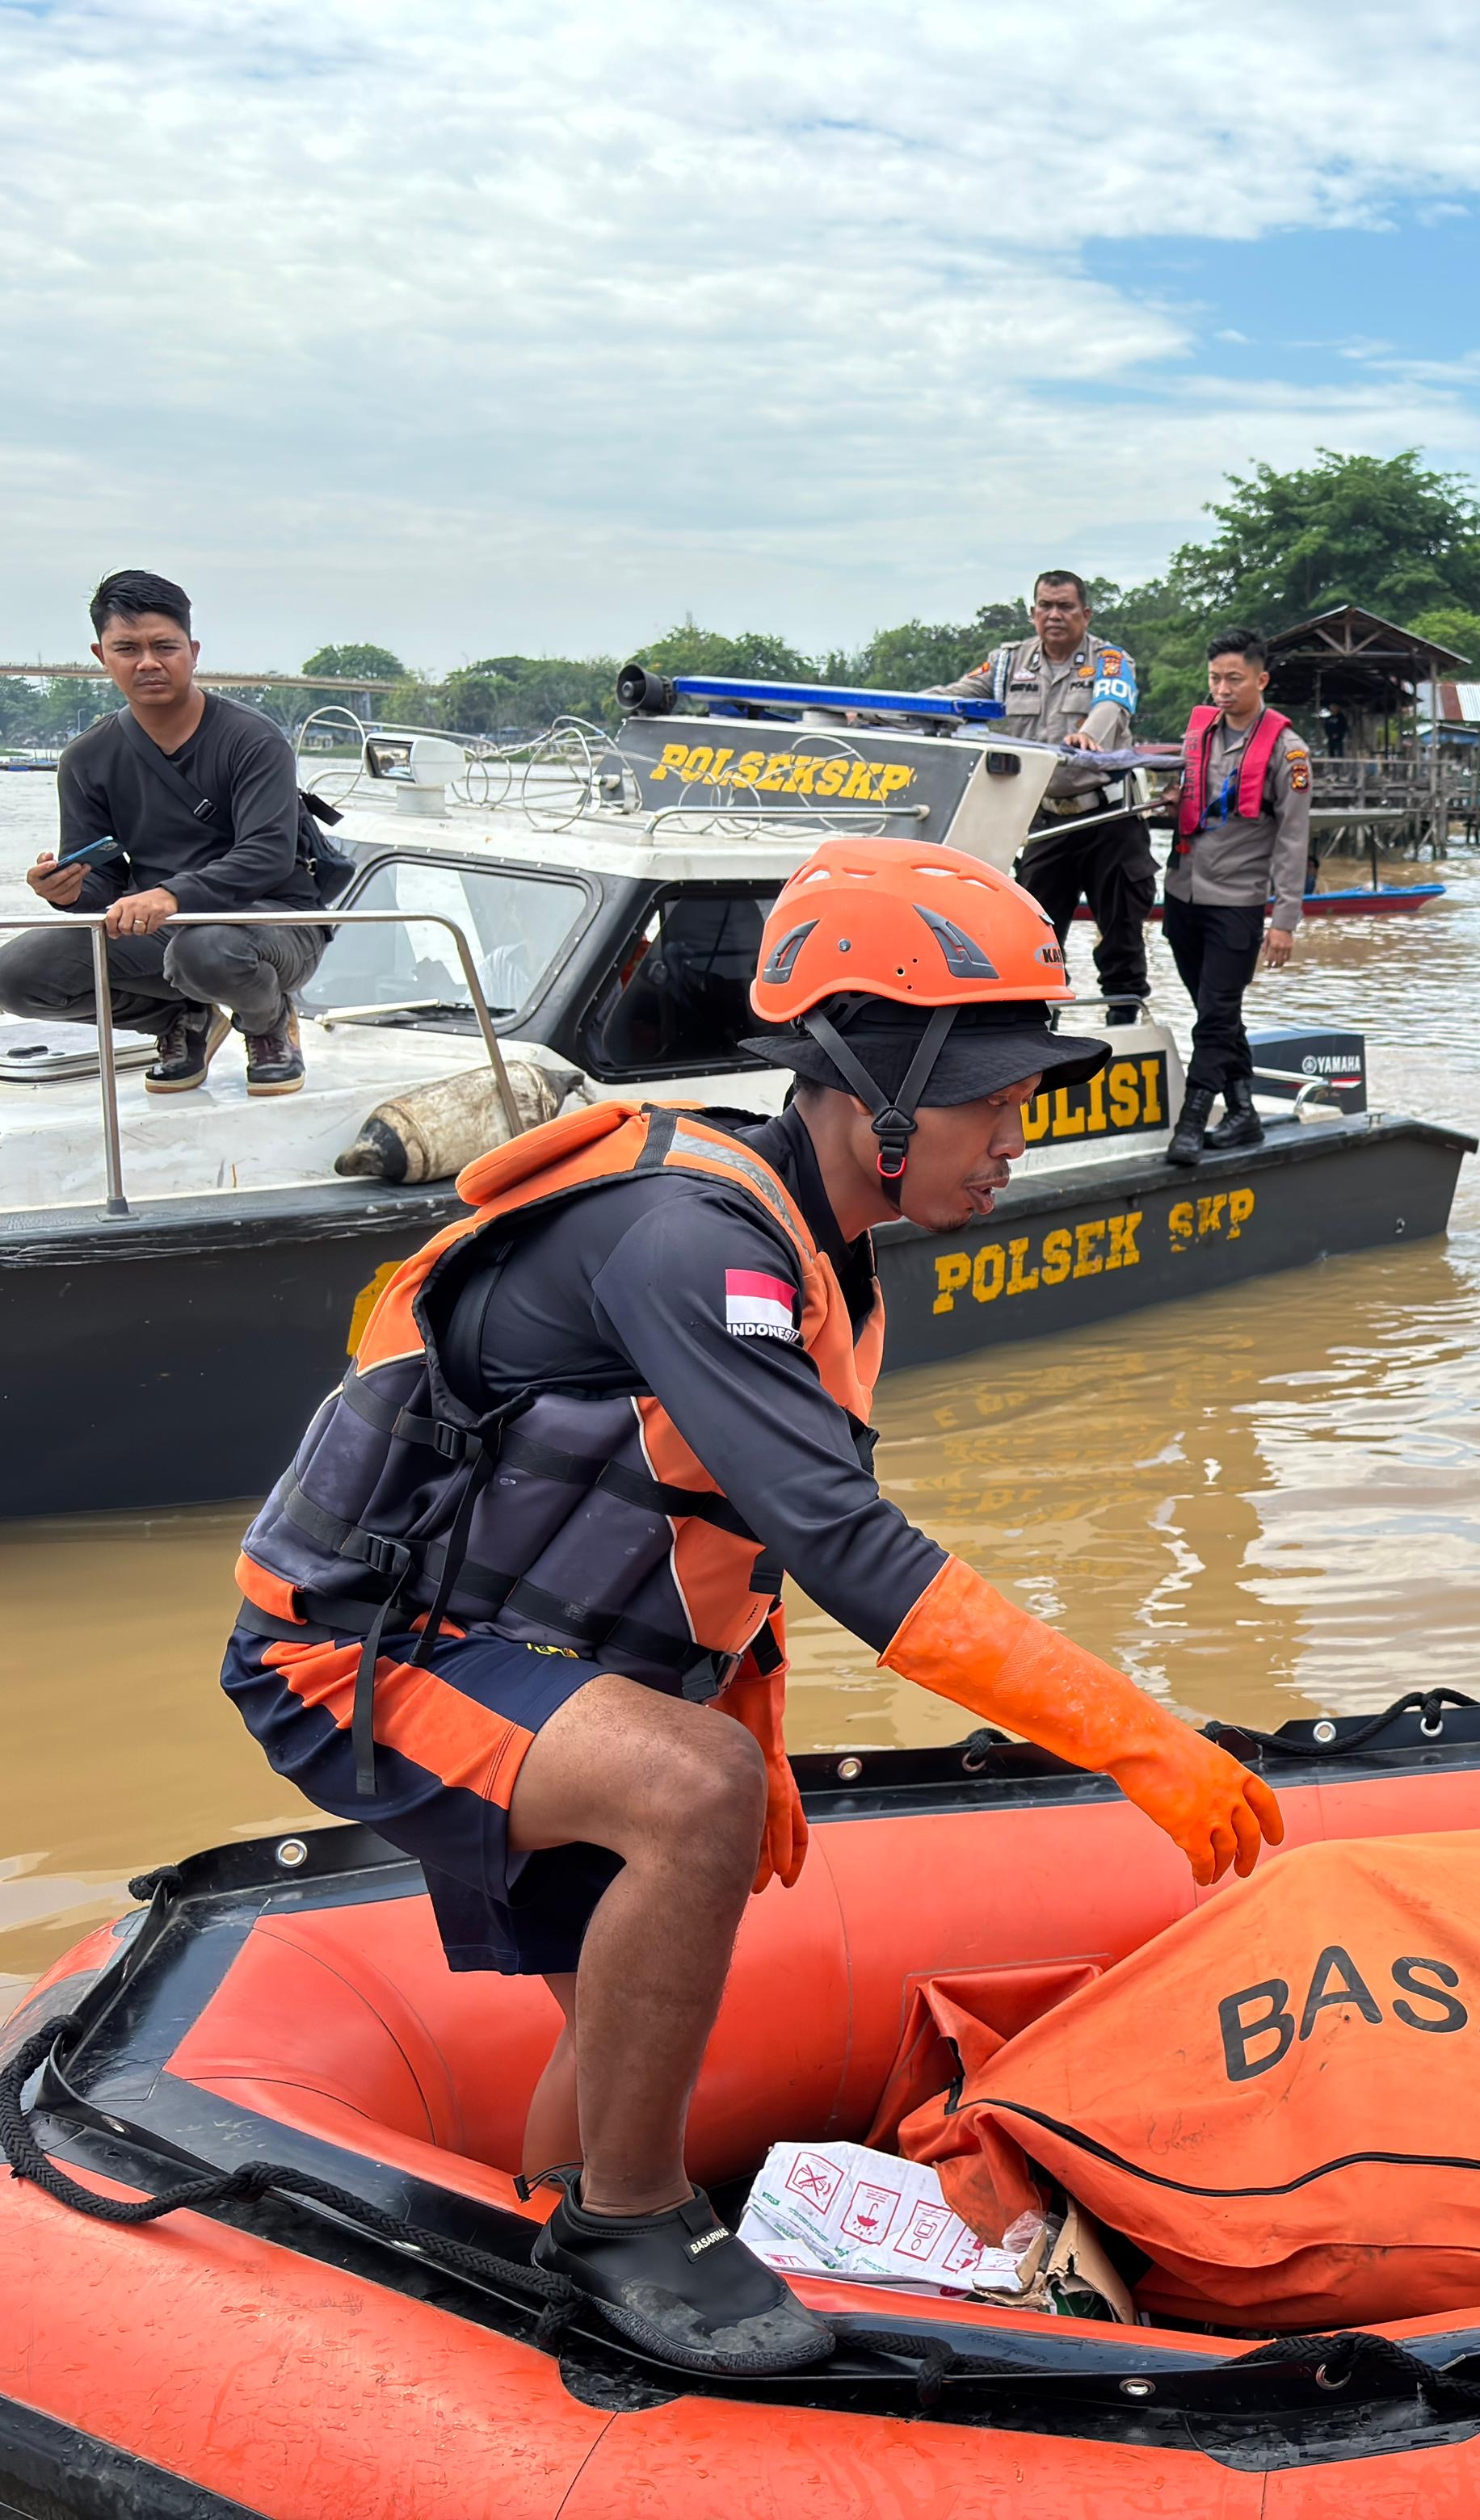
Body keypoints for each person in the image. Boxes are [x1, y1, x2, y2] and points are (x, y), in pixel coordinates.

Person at [216, 838, 1282, 2377]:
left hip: (529, 1656)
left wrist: (748, 1717)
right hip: (359, 1654)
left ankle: (533, 2280)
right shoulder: (690, 1239)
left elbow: (725, 1527)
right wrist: (1138, 1741)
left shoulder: (828, 1252)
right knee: (691, 1797)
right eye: (993, 1098)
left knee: (627, 2008)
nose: (1015, 1137)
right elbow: (848, 1544)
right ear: (877, 1092)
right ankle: (630, 2227)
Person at [1, 570, 324, 1094]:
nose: (147, 662)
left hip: (272, 923)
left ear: (192, 652)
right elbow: (104, 884)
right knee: (16, 975)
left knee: (206, 949)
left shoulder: (252, 740)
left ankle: (267, 1022)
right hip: (162, 928)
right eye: (126, 647)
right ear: (102, 655)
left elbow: (266, 856)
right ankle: (180, 1018)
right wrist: (72, 889)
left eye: (164, 646)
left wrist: (169, 894)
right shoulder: (87, 758)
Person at [931, 572, 1150, 1010]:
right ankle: (1041, 1035)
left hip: (1108, 819)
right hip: (1044, 821)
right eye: (1045, 606)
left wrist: (1088, 735)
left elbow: (1111, 704)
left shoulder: (1109, 660)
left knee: (1121, 939)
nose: (1055, 615)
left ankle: (1126, 1025)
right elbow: (953, 698)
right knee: (1035, 935)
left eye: (1065, 607)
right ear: (1032, 614)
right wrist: (885, 714)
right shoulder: (1008, 664)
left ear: (1085, 614)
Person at [1160, 624, 1310, 1166]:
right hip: (1182, 893)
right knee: (1215, 1012)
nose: (1222, 690)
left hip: (1238, 902)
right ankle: (1244, 1112)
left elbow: (1294, 841)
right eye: (1214, 679)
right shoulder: (1198, 734)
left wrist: (1285, 920)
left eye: (1234, 679)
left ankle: (1192, 1122)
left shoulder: (1288, 752)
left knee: (1216, 1014)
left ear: (1261, 679)